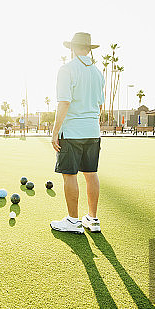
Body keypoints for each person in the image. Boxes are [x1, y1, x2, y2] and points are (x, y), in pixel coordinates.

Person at [50, 32, 105, 234]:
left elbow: (64, 102)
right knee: (91, 174)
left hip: (72, 132)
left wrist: (55, 132)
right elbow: (100, 106)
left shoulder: (66, 69)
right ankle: (92, 219)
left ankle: (73, 221)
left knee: (70, 175)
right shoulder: (98, 73)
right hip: (93, 132)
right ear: (89, 49)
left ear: (72, 48)